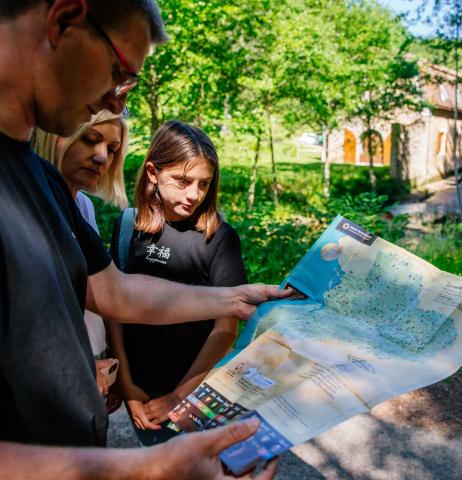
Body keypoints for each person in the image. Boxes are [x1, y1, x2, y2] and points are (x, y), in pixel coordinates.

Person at [0, 1, 284, 478]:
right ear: (64, 19)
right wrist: (146, 469)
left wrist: (234, 299)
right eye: (119, 71)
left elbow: (115, 291)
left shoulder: (43, 181)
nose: (116, 101)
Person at [108, 120, 247, 445]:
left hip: (194, 395)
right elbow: (113, 310)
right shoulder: (128, 226)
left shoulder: (219, 238)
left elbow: (225, 330)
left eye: (203, 184)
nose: (193, 194)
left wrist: (180, 396)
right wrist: (127, 386)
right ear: (153, 172)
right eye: (183, 181)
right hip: (140, 391)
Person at [33, 110, 129, 398]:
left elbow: (108, 293)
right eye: (89, 139)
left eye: (112, 150)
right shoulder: (27, 204)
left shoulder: (83, 207)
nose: (102, 157)